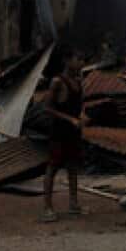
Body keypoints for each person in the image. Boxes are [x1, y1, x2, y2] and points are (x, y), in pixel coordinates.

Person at [42, 46, 85, 222]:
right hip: (59, 131)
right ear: (67, 61)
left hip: (73, 132)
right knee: (52, 167)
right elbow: (47, 108)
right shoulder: (57, 82)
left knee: (72, 166)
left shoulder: (77, 82)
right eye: (78, 58)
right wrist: (70, 119)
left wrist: (81, 117)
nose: (81, 63)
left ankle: (73, 203)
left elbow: (77, 106)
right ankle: (47, 207)